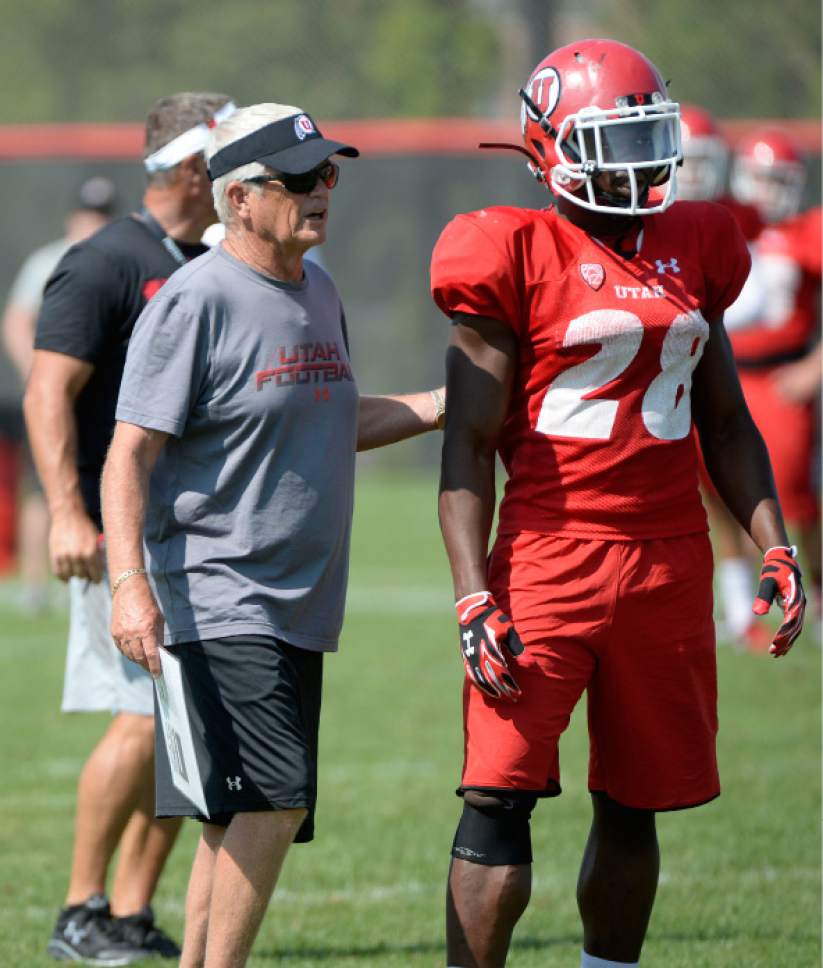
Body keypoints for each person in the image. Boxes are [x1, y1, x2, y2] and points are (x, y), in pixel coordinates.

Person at [430, 39, 806, 968]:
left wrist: (775, 544)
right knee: (497, 791)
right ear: (549, 148)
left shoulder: (702, 242)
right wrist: (472, 591)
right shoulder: (505, 249)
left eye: (647, 136)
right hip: (549, 550)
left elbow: (726, 423)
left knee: (635, 798)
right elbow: (467, 445)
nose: (637, 162)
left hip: (669, 555)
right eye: (612, 140)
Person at [99, 102, 446, 968]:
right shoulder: (195, 301)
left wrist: (446, 408)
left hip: (299, 603)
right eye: (298, 179)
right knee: (274, 803)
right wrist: (128, 584)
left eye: (327, 173)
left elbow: (334, 419)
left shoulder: (317, 290)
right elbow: (128, 454)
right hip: (217, 596)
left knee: (236, 813)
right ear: (239, 199)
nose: (321, 191)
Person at [24, 91, 236, 965]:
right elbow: (47, 392)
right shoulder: (105, 260)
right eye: (225, 159)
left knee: (188, 730)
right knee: (142, 718)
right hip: (120, 532)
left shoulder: (211, 258)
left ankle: (131, 913)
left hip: (196, 534)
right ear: (193, 166)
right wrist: (70, 514)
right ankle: (81, 908)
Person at [2, 175, 117, 612]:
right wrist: (41, 375)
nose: (95, 222)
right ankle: (35, 584)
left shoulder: (116, 259)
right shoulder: (48, 261)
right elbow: (16, 320)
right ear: (73, 217)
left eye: (102, 214)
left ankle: (100, 574)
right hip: (57, 395)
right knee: (41, 486)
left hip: (101, 397)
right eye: (89, 214)